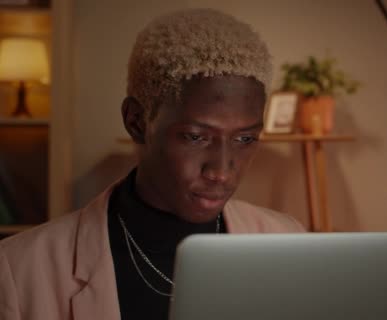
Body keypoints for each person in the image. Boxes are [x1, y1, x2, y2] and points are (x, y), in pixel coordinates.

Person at [0, 8, 305, 320]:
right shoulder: (17, 270)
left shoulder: (290, 243)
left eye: (244, 139)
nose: (222, 171)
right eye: (195, 137)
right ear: (136, 122)